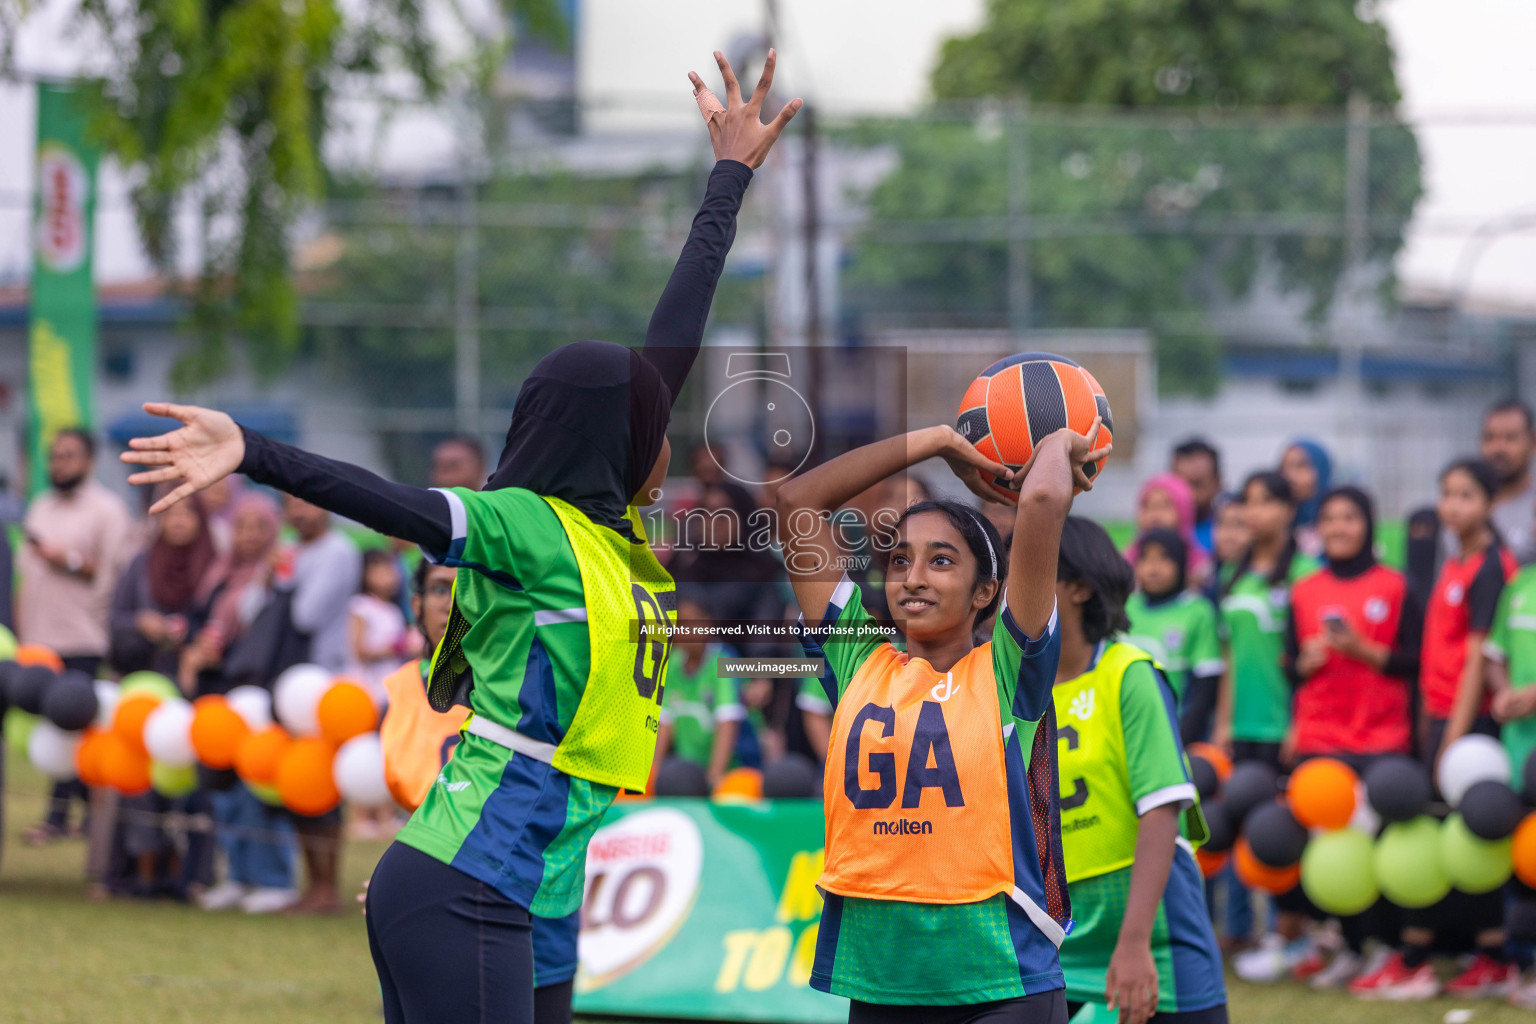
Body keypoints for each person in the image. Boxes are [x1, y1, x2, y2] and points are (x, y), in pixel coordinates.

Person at [122, 50, 797, 1023]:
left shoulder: (613, 541)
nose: (668, 433)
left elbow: (672, 340)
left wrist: (728, 181)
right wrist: (253, 452)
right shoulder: (525, 525)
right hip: (469, 883)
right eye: (648, 424)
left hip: (538, 891)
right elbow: (393, 504)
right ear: (606, 444)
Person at [779, 412, 1105, 1022]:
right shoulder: (857, 664)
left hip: (1002, 982)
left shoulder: (1009, 670)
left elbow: (1040, 499)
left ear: (987, 592)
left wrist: (1059, 440)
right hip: (881, 981)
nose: (913, 578)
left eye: (942, 561)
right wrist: (936, 441)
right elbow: (798, 501)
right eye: (899, 561)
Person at [1349, 458, 1517, 1000]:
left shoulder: (1492, 567)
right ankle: (1459, 955)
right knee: (1440, 832)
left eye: (1465, 495)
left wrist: (1453, 740)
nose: (1452, 506)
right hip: (1442, 721)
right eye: (1446, 494)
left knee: (1461, 833)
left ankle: (1443, 958)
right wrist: (1430, 724)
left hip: (1472, 729)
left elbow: (1477, 661)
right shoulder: (1453, 561)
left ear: (1489, 503)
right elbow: (1435, 660)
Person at [1051, 517, 1227, 1024]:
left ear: (1080, 587)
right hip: (1056, 929)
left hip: (1152, 924)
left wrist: (1133, 945)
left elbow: (1161, 809)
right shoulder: (1011, 686)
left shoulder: (1129, 672)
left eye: (1033, 568)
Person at [1282, 486, 1421, 989]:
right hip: (1321, 739)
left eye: (1350, 517)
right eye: (1330, 519)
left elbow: (1414, 663)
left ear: (1368, 524)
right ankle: (1348, 946)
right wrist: (1306, 663)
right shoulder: (1303, 590)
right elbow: (1290, 667)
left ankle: (1387, 950)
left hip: (1382, 739)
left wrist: (1362, 650)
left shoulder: (1396, 586)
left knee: (1376, 852)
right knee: (1331, 853)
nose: (1340, 527)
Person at [1216, 472, 1316, 977]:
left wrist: (1301, 722)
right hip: (1244, 729)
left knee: (1281, 832)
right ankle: (1242, 931)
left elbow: (1307, 661)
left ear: (1289, 511)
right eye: (1248, 502)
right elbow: (1232, 658)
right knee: (1240, 829)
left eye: (1266, 503)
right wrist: (1223, 724)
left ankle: (1292, 936)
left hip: (1286, 728)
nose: (1255, 513)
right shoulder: (1234, 575)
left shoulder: (1303, 571)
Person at [18, 428, 133, 846]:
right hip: (38, 638)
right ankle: (68, 814)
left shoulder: (107, 510)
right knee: (50, 728)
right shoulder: (40, 505)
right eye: (53, 456)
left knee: (75, 724)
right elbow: (26, 574)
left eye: (67, 456)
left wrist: (64, 558)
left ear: (88, 461)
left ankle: (63, 816)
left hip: (83, 637)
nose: (58, 464)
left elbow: (114, 573)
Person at [1485, 531, 1536, 1009]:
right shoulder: (1519, 584)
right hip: (1519, 749)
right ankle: (1522, 964)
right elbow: (1495, 655)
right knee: (1525, 860)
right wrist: (1503, 692)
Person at [1124, 528, 1223, 744]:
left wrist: (1181, 738)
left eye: (1164, 558)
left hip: (1173, 732)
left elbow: (1205, 688)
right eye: (1145, 558)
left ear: (1181, 563)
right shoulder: (1125, 608)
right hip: (1125, 731)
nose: (1153, 568)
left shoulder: (1198, 611)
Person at [653, 591, 748, 786]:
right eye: (681, 624)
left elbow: (727, 724)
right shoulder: (671, 666)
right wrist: (652, 780)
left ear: (709, 623)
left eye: (694, 622)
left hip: (729, 777)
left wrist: (713, 780)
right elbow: (664, 725)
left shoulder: (723, 662)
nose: (687, 630)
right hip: (687, 776)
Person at [347, 549, 416, 705]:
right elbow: (359, 650)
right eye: (381, 568)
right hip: (367, 688)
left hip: (390, 687)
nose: (390, 574)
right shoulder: (361, 605)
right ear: (365, 574)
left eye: (391, 568)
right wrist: (394, 648)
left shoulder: (394, 611)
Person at [1478, 400, 1536, 564]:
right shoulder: (1461, 508)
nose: (1498, 448)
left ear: (1532, 443)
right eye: (1489, 438)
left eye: (1510, 438)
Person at [1126, 474, 1211, 587]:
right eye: (1148, 506)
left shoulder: (1201, 568)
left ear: (1185, 511)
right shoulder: (1126, 563)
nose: (1155, 515)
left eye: (1164, 506)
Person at [1279, 440, 1332, 559]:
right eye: (1284, 467)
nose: (1290, 476)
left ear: (1321, 469)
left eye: (1301, 466)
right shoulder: (1277, 525)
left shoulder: (1337, 520)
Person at [1172, 439, 1222, 555]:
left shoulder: (1229, 535)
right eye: (1180, 485)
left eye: (1197, 484)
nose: (1187, 494)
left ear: (1217, 483)